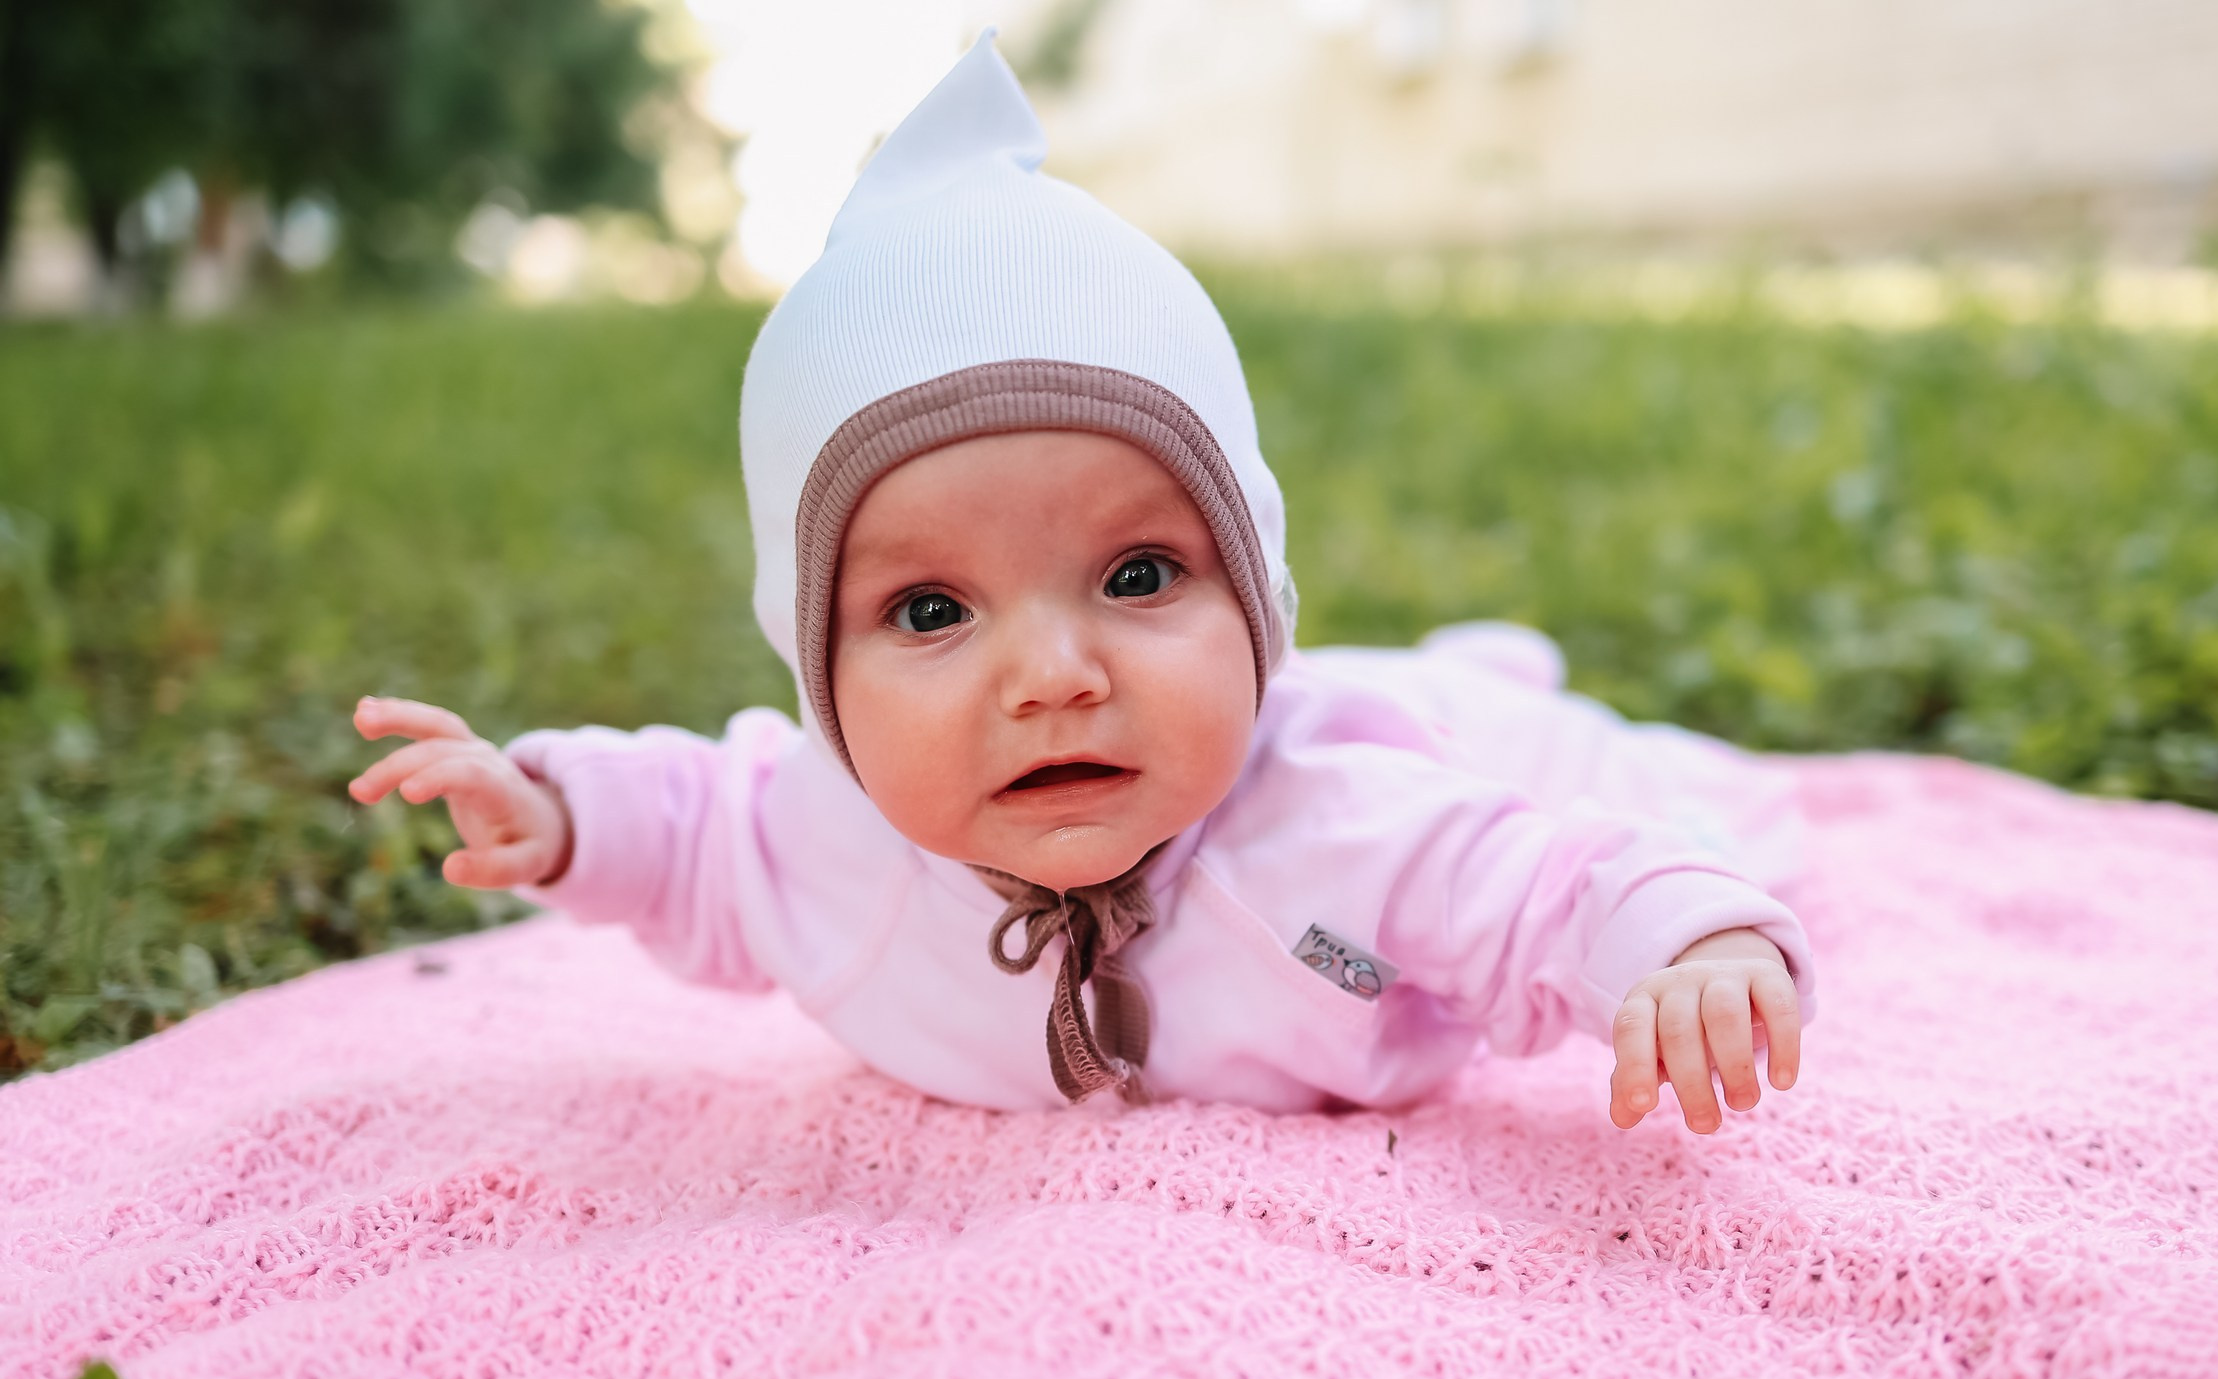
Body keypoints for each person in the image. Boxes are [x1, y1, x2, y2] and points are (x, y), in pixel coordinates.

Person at [346, 33, 1815, 1133]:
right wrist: (548, 820)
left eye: (1137, 573)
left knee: (1525, 741)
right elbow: (687, 831)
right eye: (932, 611)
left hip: (1422, 739)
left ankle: (1484, 678)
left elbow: (1543, 883)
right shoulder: (824, 836)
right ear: (817, 676)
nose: (1054, 673)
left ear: (1256, 598)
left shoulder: (1348, 831)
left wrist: (1689, 947)